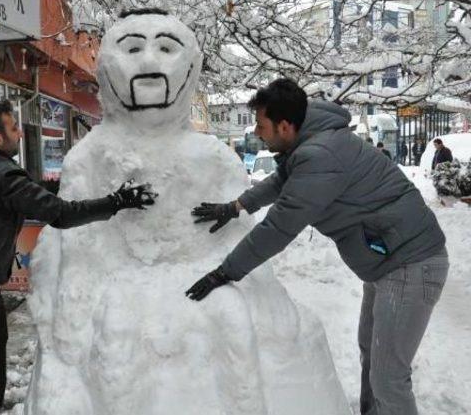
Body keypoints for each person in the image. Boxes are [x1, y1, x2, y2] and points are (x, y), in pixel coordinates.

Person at [188, 78, 447, 415]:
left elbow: (280, 226)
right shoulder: (309, 140)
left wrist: (226, 271)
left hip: (410, 262)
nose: (256, 131)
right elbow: (281, 182)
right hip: (390, 259)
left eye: (261, 124)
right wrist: (235, 206)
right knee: (372, 352)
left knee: (388, 377)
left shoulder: (320, 156)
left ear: (284, 126)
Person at [0, 100, 157, 415]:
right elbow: (60, 214)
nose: (20, 133)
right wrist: (117, 200)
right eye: (14, 127)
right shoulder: (3, 176)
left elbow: (14, 196)